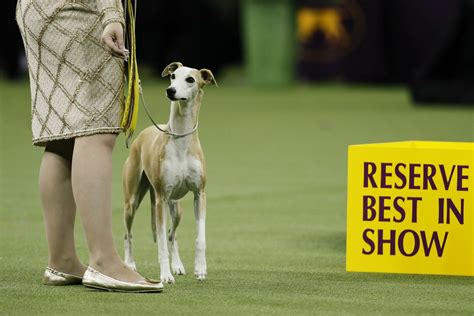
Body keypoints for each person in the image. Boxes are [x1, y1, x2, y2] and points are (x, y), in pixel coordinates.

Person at [16, 0, 162, 292]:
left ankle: (62, 260)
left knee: (63, 138)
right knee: (97, 131)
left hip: (35, 10)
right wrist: (111, 15)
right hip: (82, 12)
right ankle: (104, 261)